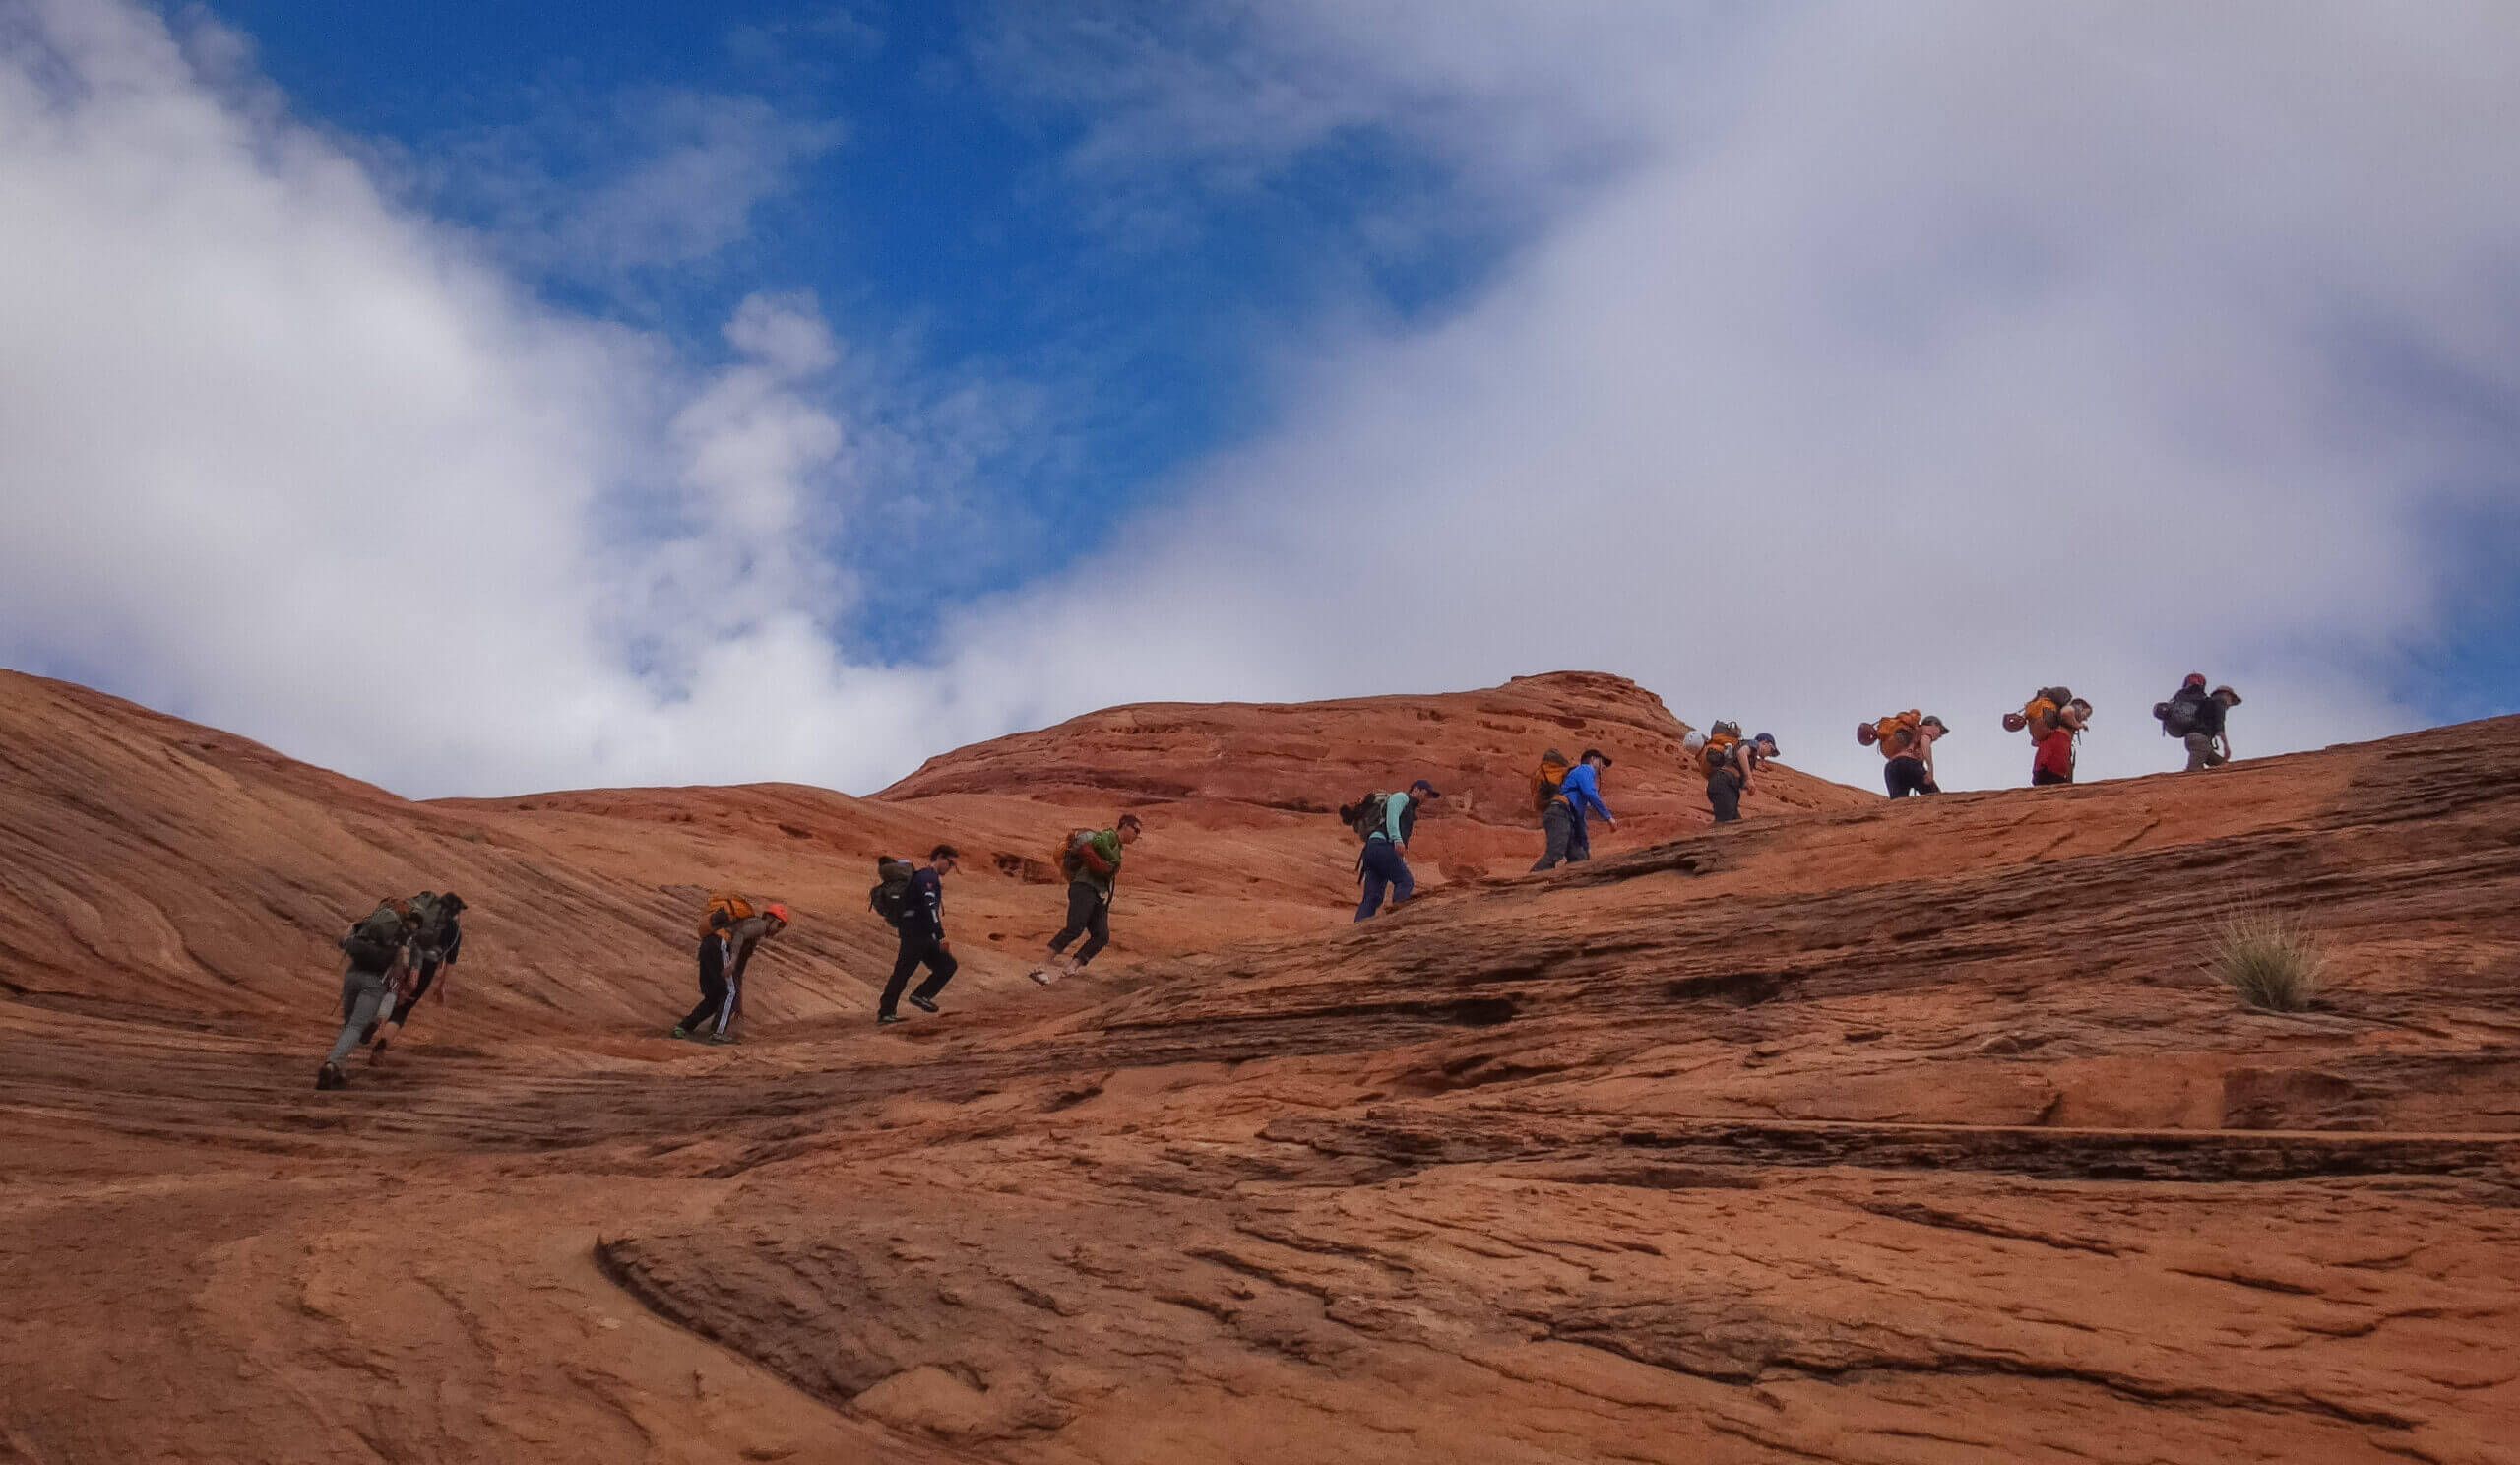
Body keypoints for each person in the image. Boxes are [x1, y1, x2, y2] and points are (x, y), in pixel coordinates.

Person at [318, 898, 418, 1089]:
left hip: (353, 976)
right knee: (356, 1027)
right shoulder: (402, 934)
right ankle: (331, 1064)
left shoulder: (365, 924)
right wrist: (397, 990)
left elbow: (342, 941)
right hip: (375, 982)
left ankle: (339, 1068)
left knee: (349, 1025)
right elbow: (402, 966)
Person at [1030, 814, 1142, 985]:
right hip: (1085, 888)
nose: (1137, 835)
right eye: (1136, 830)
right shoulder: (1110, 836)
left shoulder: (1117, 846)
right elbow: (1097, 842)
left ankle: (1071, 968)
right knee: (1075, 928)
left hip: (1098, 894)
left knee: (1101, 935)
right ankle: (1040, 967)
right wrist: (1114, 861)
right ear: (1125, 826)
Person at [369, 891, 464, 1061]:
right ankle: (381, 1047)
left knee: (389, 990)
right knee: (403, 1009)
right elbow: (448, 961)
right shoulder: (454, 929)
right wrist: (441, 986)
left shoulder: (425, 912)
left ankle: (374, 1019)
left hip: (404, 953)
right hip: (426, 965)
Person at [878, 846, 961, 1024]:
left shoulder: (929, 878)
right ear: (940, 857)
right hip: (915, 934)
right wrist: (941, 936)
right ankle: (885, 1013)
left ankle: (921, 995)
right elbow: (929, 906)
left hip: (923, 934)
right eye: (950, 863)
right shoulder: (927, 876)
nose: (950, 868)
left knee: (947, 965)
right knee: (903, 972)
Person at [1355, 780, 1440, 921]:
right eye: (1426, 793)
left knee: (1373, 897)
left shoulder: (1409, 808)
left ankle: (1358, 928)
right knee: (1405, 881)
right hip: (1382, 846)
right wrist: (1397, 838)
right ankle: (1398, 919)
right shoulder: (1401, 797)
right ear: (1416, 789)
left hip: (1372, 849)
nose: (1427, 798)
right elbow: (1392, 815)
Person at [1533, 749, 1615, 869]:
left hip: (1564, 816)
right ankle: (1525, 883)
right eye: (1602, 762)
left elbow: (1580, 821)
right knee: (1555, 853)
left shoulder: (1579, 791)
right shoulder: (1585, 769)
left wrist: (1586, 852)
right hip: (1559, 812)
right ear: (1592, 759)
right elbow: (1590, 793)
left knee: (1579, 857)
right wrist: (1609, 817)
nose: (1603, 767)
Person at [716, 901, 790, 1033]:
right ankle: (717, 1031)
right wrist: (733, 961)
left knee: (730, 992)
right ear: (770, 919)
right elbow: (739, 935)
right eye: (779, 925)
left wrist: (739, 1005)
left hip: (719, 948)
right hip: (720, 948)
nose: (778, 930)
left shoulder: (756, 931)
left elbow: (738, 974)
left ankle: (718, 1027)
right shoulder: (760, 925)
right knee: (730, 993)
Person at [671, 909, 737, 1042]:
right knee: (730, 991)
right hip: (719, 945)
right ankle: (718, 1032)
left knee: (713, 998)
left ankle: (684, 1027)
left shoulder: (721, 920)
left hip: (706, 946)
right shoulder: (748, 926)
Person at [1708, 732, 1780, 823]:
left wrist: (1747, 786)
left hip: (1726, 786)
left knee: (1735, 823)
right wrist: (1749, 779)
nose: (1770, 754)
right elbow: (1741, 753)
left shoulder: (1751, 757)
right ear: (1764, 742)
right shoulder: (1754, 744)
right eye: (1771, 749)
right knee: (1725, 824)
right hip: (1724, 783)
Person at [2180, 680, 2242, 770]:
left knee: (2223, 765)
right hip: (2200, 740)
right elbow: (2220, 726)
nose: (2230, 704)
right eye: (2231, 700)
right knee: (2193, 771)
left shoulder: (2206, 703)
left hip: (2195, 740)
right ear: (2226, 695)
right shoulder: (2220, 702)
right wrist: (2226, 746)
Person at [1882, 715, 1946, 797]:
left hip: (1891, 767)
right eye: (1940, 730)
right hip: (1908, 764)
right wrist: (1930, 768)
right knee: (1935, 797)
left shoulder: (1914, 733)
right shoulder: (1926, 728)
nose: (1940, 735)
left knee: (1899, 804)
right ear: (1934, 724)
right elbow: (1925, 743)